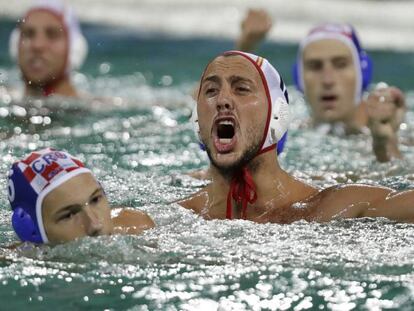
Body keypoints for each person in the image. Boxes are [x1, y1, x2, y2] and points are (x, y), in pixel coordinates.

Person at [179, 51, 414, 223]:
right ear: (197, 122)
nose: (222, 100)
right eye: (211, 91)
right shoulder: (177, 217)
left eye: (241, 88)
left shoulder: (335, 206)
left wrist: (387, 144)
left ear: (277, 113)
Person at [293, 23, 405, 162]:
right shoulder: (290, 132)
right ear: (299, 78)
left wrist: (385, 145)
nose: (327, 80)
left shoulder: (404, 135)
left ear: (362, 74)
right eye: (315, 66)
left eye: (341, 65)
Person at [7, 148, 154, 245]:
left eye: (95, 199)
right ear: (31, 231)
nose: (96, 225)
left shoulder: (140, 228)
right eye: (69, 215)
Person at [8, 0, 88, 98]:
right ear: (15, 45)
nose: (37, 45)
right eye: (28, 33)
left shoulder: (97, 108)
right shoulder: (6, 97)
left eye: (52, 34)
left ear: (74, 48)